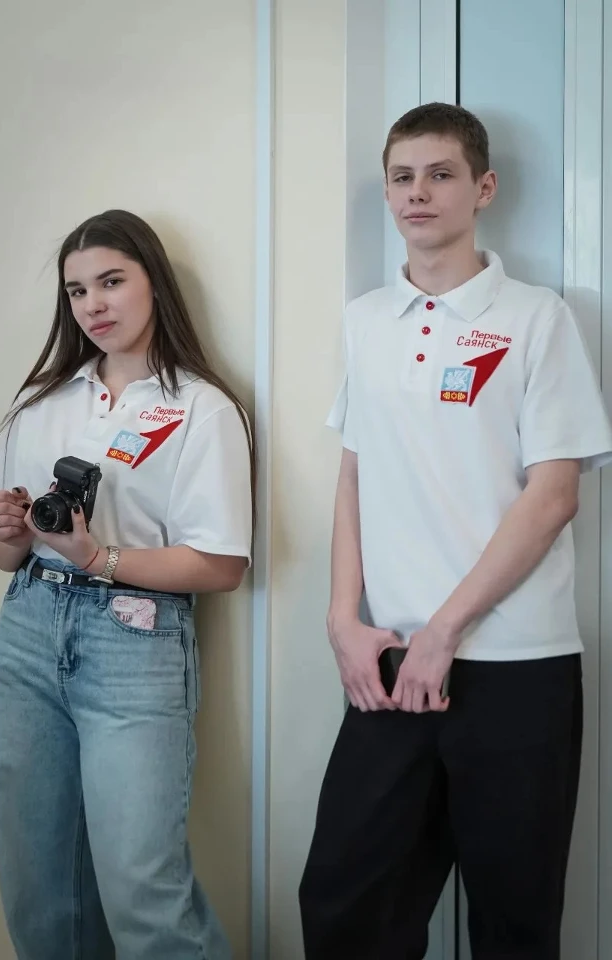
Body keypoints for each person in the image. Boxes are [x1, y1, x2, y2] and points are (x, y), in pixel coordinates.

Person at [298, 103, 612, 959]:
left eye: (440, 174)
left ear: (484, 187)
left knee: (514, 923)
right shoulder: (366, 320)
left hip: (516, 666)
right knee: (346, 909)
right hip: (390, 664)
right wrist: (343, 619)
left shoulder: (536, 317)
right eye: (402, 177)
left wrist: (445, 632)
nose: (419, 192)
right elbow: (355, 474)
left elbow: (553, 496)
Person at [0, 209, 254, 960]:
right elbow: (2, 556)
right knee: (38, 886)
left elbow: (222, 565)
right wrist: (8, 530)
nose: (93, 304)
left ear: (153, 282)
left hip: (134, 639)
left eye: (111, 282)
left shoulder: (200, 407)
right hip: (28, 631)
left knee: (142, 889)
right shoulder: (43, 401)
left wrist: (98, 557)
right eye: (76, 291)